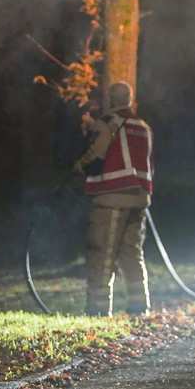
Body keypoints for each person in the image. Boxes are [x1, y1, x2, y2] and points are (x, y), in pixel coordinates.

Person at [72, 81, 152, 316]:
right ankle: (139, 305)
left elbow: (96, 152)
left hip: (111, 197)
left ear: (110, 100)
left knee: (102, 252)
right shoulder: (143, 126)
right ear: (130, 99)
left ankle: (97, 309)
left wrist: (78, 165)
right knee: (131, 252)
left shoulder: (109, 123)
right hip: (139, 198)